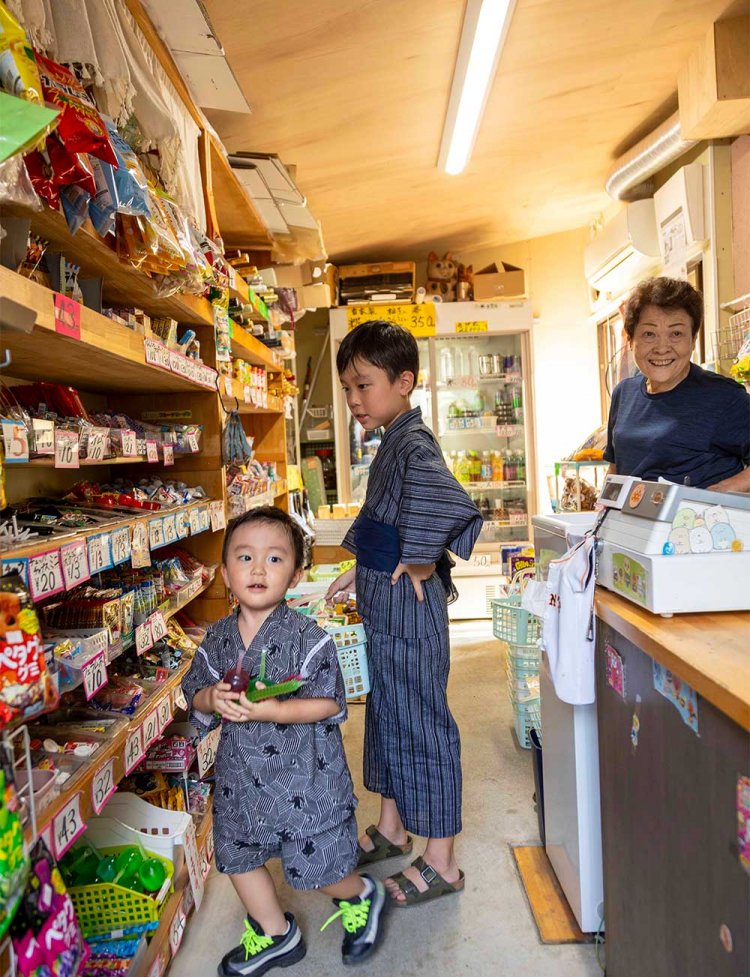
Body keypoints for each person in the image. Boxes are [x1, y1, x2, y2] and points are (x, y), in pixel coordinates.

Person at [181, 507, 386, 976]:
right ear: (225, 572)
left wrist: (274, 709)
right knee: (235, 855)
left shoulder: (309, 638)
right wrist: (212, 697)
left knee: (321, 868)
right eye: (245, 557)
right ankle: (277, 933)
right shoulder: (216, 640)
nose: (257, 569)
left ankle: (360, 894)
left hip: (304, 777)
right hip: (241, 779)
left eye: (274, 559)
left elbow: (330, 702)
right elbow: (196, 693)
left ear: (295, 574)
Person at [326, 320, 483, 907]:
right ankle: (394, 828)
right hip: (386, 604)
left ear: (403, 381)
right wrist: (358, 567)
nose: (354, 400)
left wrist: (420, 560)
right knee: (390, 712)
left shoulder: (411, 442)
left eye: (363, 385)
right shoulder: (394, 436)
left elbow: (447, 499)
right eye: (347, 388)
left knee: (422, 723)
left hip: (410, 611)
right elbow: (385, 519)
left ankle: (442, 861)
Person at [605, 277, 750, 491]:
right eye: (649, 334)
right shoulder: (624, 394)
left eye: (676, 334)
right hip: (631, 522)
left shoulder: (724, 396)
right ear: (631, 340)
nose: (662, 347)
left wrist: (720, 490)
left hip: (695, 522)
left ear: (692, 340)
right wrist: (604, 514)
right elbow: (616, 467)